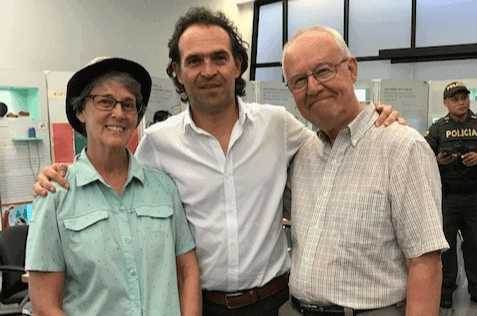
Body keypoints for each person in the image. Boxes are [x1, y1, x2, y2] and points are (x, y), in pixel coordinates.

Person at [33, 8, 400, 316]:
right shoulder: (159, 144)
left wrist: (371, 115)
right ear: (177, 71)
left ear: (237, 64)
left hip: (273, 302)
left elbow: (333, 141)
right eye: (194, 60)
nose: (208, 70)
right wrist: (61, 170)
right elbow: (116, 171)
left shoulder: (277, 126)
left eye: (219, 57)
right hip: (198, 305)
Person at [280, 26, 449, 316]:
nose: (313, 87)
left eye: (323, 71)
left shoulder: (402, 147)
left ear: (351, 69)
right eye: (298, 80)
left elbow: (425, 264)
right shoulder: (302, 154)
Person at [26, 57, 201, 316]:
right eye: (105, 101)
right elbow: (44, 306)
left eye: (128, 104)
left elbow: (187, 273)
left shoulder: (163, 188)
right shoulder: (55, 195)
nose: (118, 113)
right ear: (81, 111)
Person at [424, 81, 477, 310]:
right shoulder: (437, 128)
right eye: (455, 99)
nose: (461, 103)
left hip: (475, 196)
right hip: (447, 197)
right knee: (445, 247)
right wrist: (437, 160)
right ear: (446, 103)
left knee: (476, 244)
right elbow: (422, 156)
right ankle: (446, 289)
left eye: (464, 98)